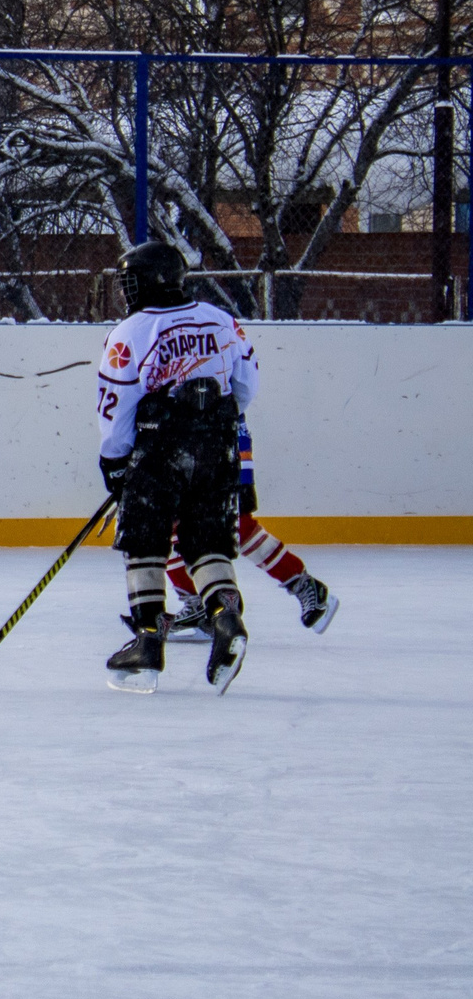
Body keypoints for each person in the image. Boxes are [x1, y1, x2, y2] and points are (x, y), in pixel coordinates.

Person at [96, 240, 259, 694]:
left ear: (149, 281)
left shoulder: (130, 332)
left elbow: (116, 407)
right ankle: (226, 618)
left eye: (130, 280)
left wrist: (114, 459)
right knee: (206, 539)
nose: (126, 289)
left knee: (145, 541)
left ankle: (148, 641)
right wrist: (213, 422)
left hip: (160, 449)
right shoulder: (221, 319)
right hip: (218, 444)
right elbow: (246, 386)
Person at [159, 420, 336, 640]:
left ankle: (304, 585)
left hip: (221, 437)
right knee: (161, 522)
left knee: (236, 523)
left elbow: (243, 388)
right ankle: (199, 608)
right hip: (174, 443)